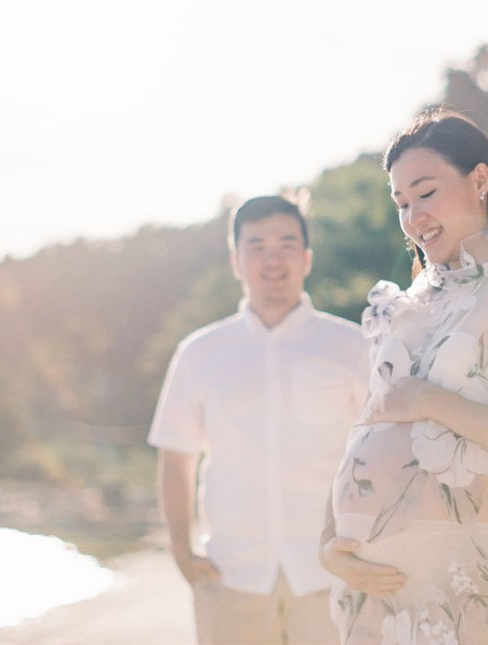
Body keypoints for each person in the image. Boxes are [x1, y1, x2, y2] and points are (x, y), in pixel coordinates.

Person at [320, 111, 488, 645]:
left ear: (480, 180)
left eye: (425, 193)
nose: (413, 216)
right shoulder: (406, 308)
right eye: (401, 203)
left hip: (471, 580)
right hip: (376, 595)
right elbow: (366, 431)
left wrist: (432, 401)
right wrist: (328, 544)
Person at [149, 195, 371, 645]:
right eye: (257, 246)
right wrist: (181, 551)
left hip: (333, 573)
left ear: (306, 258)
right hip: (231, 575)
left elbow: (383, 453)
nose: (273, 259)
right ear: (236, 260)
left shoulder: (354, 345)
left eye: (287, 245)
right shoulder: (199, 353)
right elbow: (176, 459)